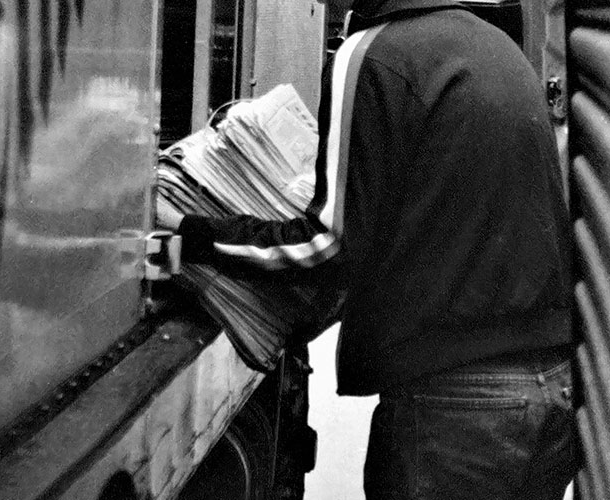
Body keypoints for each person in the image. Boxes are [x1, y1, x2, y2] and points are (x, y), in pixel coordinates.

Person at [157, 0, 578, 498]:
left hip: (456, 413)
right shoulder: (498, 48)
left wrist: (191, 232)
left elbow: (327, 244)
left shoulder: (372, 54)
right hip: (553, 392)